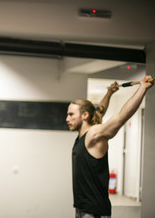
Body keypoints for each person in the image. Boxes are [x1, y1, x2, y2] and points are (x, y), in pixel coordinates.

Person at [66, 77, 154, 218]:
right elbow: (100, 110)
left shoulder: (94, 135)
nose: (67, 119)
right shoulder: (83, 136)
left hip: (94, 212)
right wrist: (109, 93)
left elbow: (120, 117)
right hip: (82, 208)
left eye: (71, 114)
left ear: (85, 115)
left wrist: (142, 87)